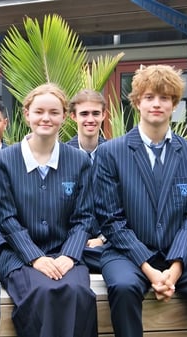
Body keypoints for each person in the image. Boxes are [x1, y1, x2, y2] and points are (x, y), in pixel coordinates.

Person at [94, 65, 187, 337]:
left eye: (165, 98)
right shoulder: (110, 153)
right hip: (127, 254)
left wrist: (175, 267)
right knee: (123, 288)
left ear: (174, 103)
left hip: (177, 253)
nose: (156, 104)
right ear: (137, 102)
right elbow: (111, 221)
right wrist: (149, 269)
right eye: (149, 97)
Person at [0, 83, 98, 337]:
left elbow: (84, 217)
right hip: (18, 254)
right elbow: (6, 218)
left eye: (54, 112)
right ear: (26, 113)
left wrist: (70, 256)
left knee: (79, 293)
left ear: (64, 116)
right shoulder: (4, 160)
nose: (46, 118)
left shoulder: (78, 160)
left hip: (64, 253)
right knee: (41, 292)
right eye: (39, 111)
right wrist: (35, 257)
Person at [66, 89, 107, 273]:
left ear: (103, 115)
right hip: (71, 240)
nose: (90, 119)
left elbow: (126, 204)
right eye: (84, 113)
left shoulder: (117, 155)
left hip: (107, 240)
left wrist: (103, 238)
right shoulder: (62, 156)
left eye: (95, 113)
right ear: (73, 116)